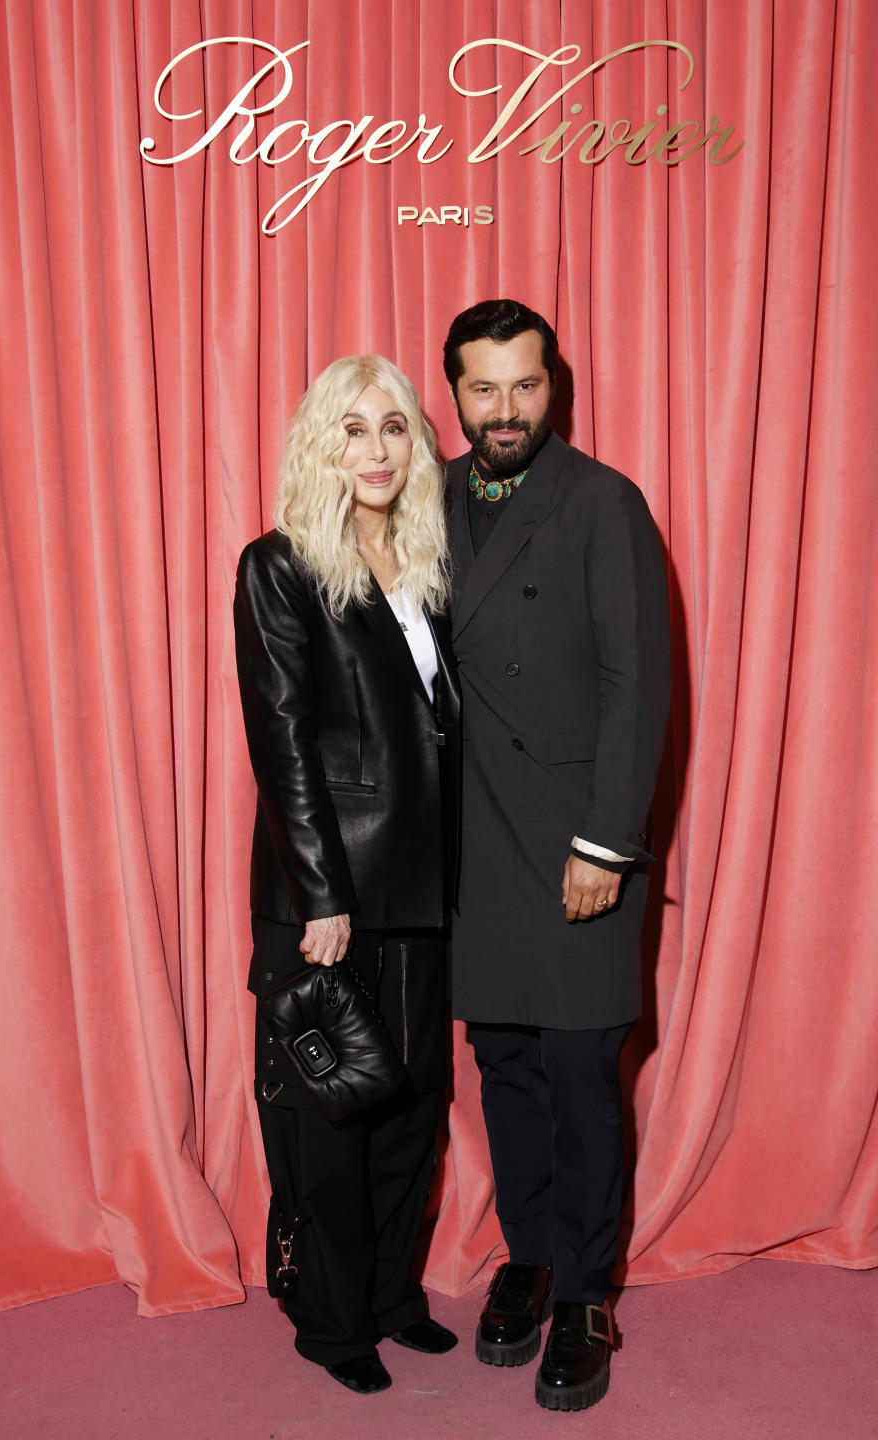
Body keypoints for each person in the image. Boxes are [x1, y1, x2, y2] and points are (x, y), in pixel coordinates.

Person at [443, 300, 671, 1411]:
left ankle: (587, 1291)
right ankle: (528, 1256)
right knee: (508, 1068)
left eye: (523, 386)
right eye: (482, 389)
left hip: (578, 838)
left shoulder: (601, 502)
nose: (503, 410)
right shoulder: (427, 494)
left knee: (583, 1075)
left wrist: (608, 844)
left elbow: (639, 684)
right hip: (476, 841)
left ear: (555, 387)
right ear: (454, 394)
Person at [233, 355, 460, 1395]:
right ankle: (332, 1324)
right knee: (330, 1114)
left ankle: (392, 1299)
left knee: (412, 1099)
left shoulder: (426, 559)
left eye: (396, 429)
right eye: (355, 429)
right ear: (323, 443)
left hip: (425, 886)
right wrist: (320, 894)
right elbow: (281, 742)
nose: (377, 450)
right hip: (325, 895)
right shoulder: (279, 566)